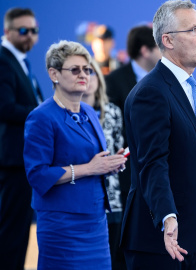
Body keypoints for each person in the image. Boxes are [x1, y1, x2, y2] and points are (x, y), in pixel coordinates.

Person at [120, 1, 196, 269]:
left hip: (191, 237)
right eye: (193, 29)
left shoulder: (191, 89)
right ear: (168, 40)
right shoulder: (150, 93)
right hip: (158, 241)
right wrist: (167, 216)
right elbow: (153, 163)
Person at [23, 40, 126, 269]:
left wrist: (110, 164)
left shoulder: (89, 111)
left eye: (86, 69)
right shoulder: (41, 117)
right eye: (75, 69)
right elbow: (37, 175)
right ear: (54, 74)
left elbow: (93, 161)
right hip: (62, 224)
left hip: (96, 221)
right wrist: (90, 168)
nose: (83, 74)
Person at [0, 8, 43, 269]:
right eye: (23, 31)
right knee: (11, 233)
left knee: (18, 232)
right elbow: (4, 107)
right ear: (7, 32)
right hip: (13, 161)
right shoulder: (4, 61)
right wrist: (43, 112)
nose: (30, 36)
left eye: (34, 31)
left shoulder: (21, 62)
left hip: (22, 161)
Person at [106, 25, 162, 213]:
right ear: (145, 51)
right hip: (126, 171)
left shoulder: (166, 78)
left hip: (160, 168)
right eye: (159, 48)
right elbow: (111, 126)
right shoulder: (113, 81)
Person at [82, 60, 127, 269]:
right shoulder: (66, 113)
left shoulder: (113, 112)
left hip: (113, 197)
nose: (87, 78)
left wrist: (118, 161)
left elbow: (119, 145)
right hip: (80, 196)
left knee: (113, 258)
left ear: (99, 79)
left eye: (91, 73)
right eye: (80, 72)